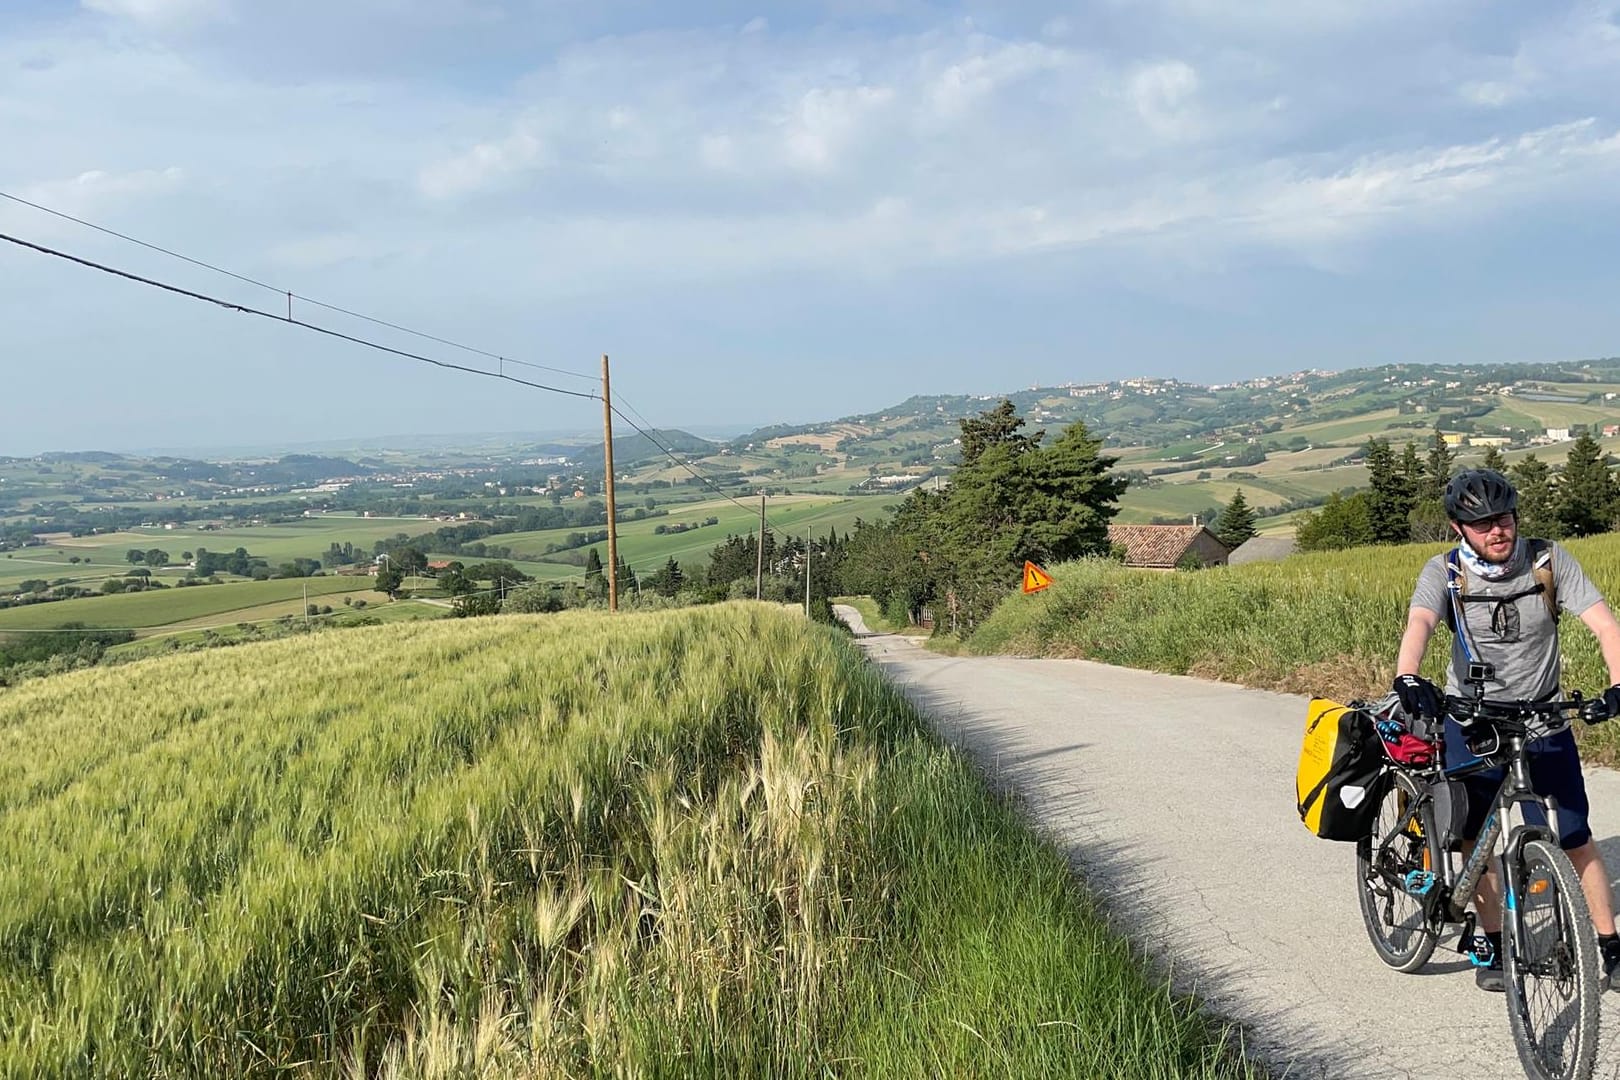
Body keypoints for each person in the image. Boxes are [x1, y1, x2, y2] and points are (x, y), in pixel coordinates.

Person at [1393, 467, 1620, 991]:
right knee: (1478, 837)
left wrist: (1616, 686)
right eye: (1481, 524)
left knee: (1576, 836)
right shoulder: (1444, 572)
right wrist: (1408, 676)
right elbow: (1420, 624)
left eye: (1504, 518)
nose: (1497, 530)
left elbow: (1605, 625)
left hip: (1541, 716)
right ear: (1458, 528)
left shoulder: (1548, 560)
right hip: (1473, 719)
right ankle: (1491, 942)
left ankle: (1609, 945)